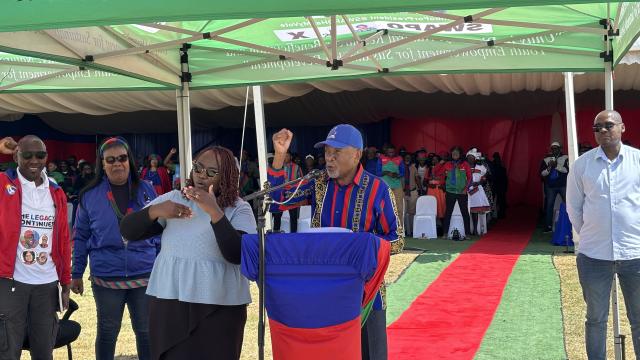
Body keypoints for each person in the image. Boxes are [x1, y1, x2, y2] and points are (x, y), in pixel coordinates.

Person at [268, 125, 403, 360]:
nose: (329, 159)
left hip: (366, 295)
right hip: (324, 290)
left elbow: (398, 239)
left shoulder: (378, 189)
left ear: (357, 154)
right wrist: (279, 156)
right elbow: (278, 199)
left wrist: (365, 245)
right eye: (327, 152)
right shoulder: (317, 182)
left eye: (336, 153)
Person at [119, 145, 256, 360]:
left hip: (219, 307)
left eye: (211, 172)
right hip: (171, 302)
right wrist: (155, 211)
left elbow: (236, 254)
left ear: (228, 176)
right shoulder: (176, 198)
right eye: (198, 168)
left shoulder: (239, 208)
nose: (201, 176)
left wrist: (214, 211)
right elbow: (128, 230)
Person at [71, 137, 158, 360]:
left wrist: (161, 265)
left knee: (147, 332)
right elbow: (80, 236)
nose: (117, 164)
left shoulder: (147, 190)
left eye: (122, 158)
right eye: (111, 160)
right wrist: (77, 272)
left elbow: (161, 231)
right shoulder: (90, 196)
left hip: (145, 275)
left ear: (129, 161)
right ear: (103, 163)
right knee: (108, 333)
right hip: (106, 278)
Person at [566, 110, 640, 360]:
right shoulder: (582, 165)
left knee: (639, 319)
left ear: (623, 127)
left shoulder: (638, 161)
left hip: (635, 254)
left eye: (608, 125)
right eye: (597, 128)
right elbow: (573, 207)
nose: (603, 131)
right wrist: (591, 233)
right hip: (594, 255)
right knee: (596, 319)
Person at [0, 135, 71, 360]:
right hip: (12, 283)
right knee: (8, 351)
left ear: (46, 157)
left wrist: (65, 281)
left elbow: (63, 239)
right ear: (15, 156)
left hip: (47, 285)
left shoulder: (55, 191)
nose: (34, 160)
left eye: (39, 155)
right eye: (27, 155)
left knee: (44, 352)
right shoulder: (3, 184)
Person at [442, 146, 472, 239]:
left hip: (461, 192)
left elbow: (470, 178)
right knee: (448, 212)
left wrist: (465, 189)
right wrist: (440, 163)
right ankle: (445, 233)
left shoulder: (465, 164)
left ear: (460, 154)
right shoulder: (447, 164)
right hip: (450, 191)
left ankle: (467, 234)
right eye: (453, 152)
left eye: (457, 152)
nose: (455, 154)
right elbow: (438, 174)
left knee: (465, 213)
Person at [540, 141, 569, 232]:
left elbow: (567, 171)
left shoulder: (565, 157)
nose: (554, 150)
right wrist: (549, 167)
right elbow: (542, 173)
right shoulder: (546, 159)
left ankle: (570, 224)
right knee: (549, 205)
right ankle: (548, 226)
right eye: (553, 148)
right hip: (551, 186)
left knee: (568, 204)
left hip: (562, 185)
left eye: (556, 148)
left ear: (560, 149)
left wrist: (556, 166)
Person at [271, 152, 303, 233]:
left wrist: (297, 192)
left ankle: (293, 235)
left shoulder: (296, 167)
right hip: (280, 195)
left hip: (292, 195)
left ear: (291, 157)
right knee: (277, 216)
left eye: (287, 155)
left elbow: (301, 181)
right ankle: (276, 233)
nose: (285, 157)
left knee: (293, 217)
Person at [378, 144, 405, 228]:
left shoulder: (399, 159)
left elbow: (403, 172)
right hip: (385, 186)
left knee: (399, 208)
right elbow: (377, 172)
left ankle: (399, 227)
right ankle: (385, 227)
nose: (391, 153)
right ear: (386, 152)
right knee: (385, 207)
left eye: (392, 152)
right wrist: (386, 173)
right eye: (389, 152)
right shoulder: (380, 159)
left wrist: (398, 175)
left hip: (397, 185)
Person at [466, 149, 491, 235]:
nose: (470, 159)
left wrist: (480, 182)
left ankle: (476, 230)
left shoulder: (480, 167)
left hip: (477, 190)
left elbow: (485, 177)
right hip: (466, 190)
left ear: (475, 158)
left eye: (472, 157)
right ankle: (468, 230)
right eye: (469, 157)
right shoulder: (464, 167)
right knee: (467, 211)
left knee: (476, 211)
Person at [426, 154, 447, 221]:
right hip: (431, 190)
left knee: (441, 208)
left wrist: (442, 184)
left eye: (436, 159)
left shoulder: (443, 168)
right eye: (433, 160)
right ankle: (432, 226)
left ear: (439, 161)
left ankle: (443, 228)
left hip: (439, 190)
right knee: (431, 208)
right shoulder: (428, 169)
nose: (434, 161)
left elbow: (446, 180)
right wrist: (428, 184)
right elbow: (425, 181)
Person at [403, 153, 419, 237]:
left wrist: (421, 190)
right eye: (406, 157)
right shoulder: (400, 167)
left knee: (412, 213)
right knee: (403, 213)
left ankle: (413, 231)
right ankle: (405, 231)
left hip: (412, 192)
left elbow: (417, 179)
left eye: (409, 157)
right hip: (402, 192)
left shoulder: (413, 168)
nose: (407, 159)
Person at [490, 152, 508, 219]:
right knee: (501, 200)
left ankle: (496, 214)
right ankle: (501, 213)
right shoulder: (501, 166)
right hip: (501, 185)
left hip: (496, 184)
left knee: (496, 201)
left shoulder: (493, 164)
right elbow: (505, 178)